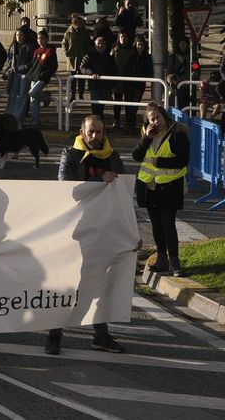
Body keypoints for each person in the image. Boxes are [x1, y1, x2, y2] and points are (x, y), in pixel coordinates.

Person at [47, 115, 126, 355]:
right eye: (90, 132)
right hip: (75, 230)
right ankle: (54, 335)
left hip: (104, 230)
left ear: (104, 133)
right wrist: (98, 180)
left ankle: (101, 335)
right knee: (69, 283)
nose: (95, 136)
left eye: (99, 132)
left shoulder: (113, 157)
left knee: (100, 283)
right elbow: (67, 188)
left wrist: (130, 233)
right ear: (82, 132)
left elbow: (122, 196)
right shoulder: (70, 155)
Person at [132, 104, 190, 278]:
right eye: (152, 119)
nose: (156, 121)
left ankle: (174, 262)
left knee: (168, 224)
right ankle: (161, 258)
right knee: (156, 225)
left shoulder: (177, 134)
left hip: (169, 186)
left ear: (165, 117)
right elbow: (136, 156)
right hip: (149, 186)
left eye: (158, 117)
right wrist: (146, 139)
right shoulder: (147, 135)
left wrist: (161, 162)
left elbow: (183, 160)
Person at [79, 35, 117, 121]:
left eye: (103, 43)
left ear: (106, 45)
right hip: (95, 86)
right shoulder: (89, 55)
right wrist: (91, 73)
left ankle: (100, 126)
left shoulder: (109, 57)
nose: (100, 45)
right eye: (98, 43)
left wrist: (112, 84)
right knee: (96, 110)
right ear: (94, 45)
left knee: (101, 109)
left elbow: (115, 70)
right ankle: (98, 126)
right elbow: (82, 67)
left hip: (106, 86)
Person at [26, 31, 58, 128]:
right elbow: (33, 64)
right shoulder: (36, 50)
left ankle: (46, 96)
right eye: (38, 38)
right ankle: (35, 121)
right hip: (34, 77)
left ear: (47, 39)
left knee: (32, 93)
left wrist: (45, 74)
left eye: (42, 38)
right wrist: (30, 73)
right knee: (34, 100)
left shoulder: (50, 50)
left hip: (43, 77)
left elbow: (53, 66)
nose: (40, 40)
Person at [62, 15, 93, 101]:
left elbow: (89, 43)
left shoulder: (85, 33)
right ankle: (72, 95)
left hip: (82, 58)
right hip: (72, 58)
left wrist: (87, 53)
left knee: (81, 78)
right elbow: (64, 43)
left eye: (80, 23)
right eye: (76, 23)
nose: (78, 25)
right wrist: (66, 52)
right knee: (72, 78)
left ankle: (81, 95)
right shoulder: (68, 32)